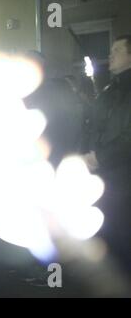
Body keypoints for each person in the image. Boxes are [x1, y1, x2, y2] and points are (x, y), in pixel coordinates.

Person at [83, 35, 131, 272]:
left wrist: (98, 157)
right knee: (109, 232)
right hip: (106, 174)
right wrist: (90, 151)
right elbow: (97, 125)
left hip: (124, 176)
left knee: (123, 234)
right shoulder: (112, 88)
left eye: (118, 50)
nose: (111, 54)